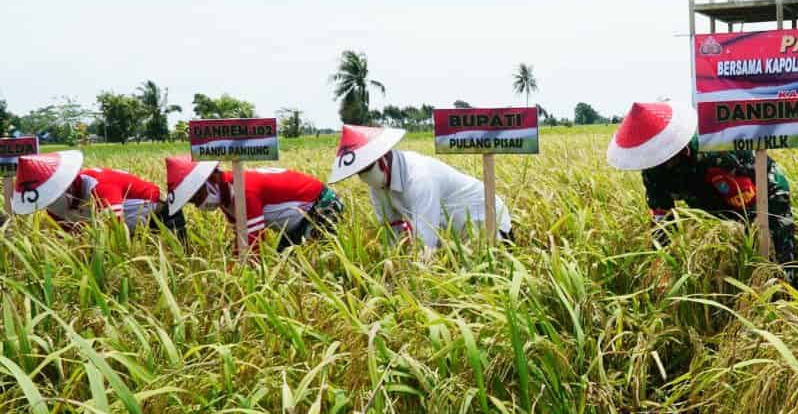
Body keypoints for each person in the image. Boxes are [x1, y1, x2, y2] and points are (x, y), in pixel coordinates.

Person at [606, 102, 796, 275]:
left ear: (679, 150)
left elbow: (749, 212)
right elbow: (662, 218)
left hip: (763, 186)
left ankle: (787, 288)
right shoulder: (653, 172)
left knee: (776, 249)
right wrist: (660, 264)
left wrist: (751, 244)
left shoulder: (715, 156)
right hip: (712, 196)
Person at [326, 124, 512, 250]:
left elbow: (427, 241)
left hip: (486, 220)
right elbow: (391, 231)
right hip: (454, 235)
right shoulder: (378, 186)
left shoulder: (420, 177)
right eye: (359, 173)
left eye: (367, 169)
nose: (364, 176)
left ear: (382, 159)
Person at [165, 156, 343, 254]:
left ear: (210, 179)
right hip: (297, 223)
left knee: (316, 265)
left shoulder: (243, 191)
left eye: (196, 197)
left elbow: (253, 244)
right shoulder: (227, 200)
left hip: (322, 207)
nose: (197, 205)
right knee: (285, 265)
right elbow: (241, 239)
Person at [11, 150, 186, 240]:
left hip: (160, 218)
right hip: (123, 227)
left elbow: (116, 234)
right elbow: (75, 238)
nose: (50, 205)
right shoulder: (52, 207)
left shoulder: (99, 184)